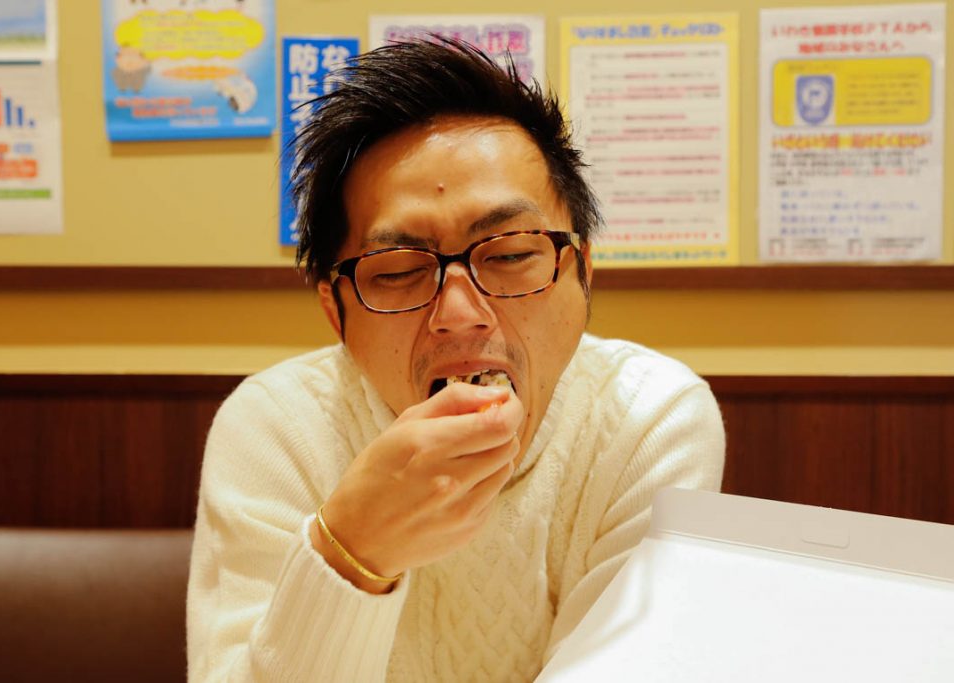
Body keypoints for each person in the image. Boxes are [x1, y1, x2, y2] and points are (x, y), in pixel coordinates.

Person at [187, 39, 725, 682]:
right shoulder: (275, 429)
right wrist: (351, 551)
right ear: (336, 313)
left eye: (510, 254)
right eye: (398, 270)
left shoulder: (649, 421)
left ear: (581, 273)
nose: (460, 312)